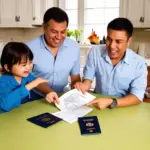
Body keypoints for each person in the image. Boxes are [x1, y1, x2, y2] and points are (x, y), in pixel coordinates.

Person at [75, 18, 147, 110]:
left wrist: (111, 102)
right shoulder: (95, 52)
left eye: (118, 41)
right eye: (109, 39)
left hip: (124, 108)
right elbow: (88, 79)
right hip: (98, 106)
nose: (112, 46)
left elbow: (137, 97)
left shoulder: (139, 63)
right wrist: (84, 85)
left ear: (129, 41)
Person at [27, 7, 81, 97]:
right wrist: (49, 92)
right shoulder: (29, 48)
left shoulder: (74, 47)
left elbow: (75, 78)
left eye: (63, 32)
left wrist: (78, 87)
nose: (59, 37)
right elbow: (26, 79)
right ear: (44, 28)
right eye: (54, 31)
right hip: (33, 98)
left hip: (61, 97)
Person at [0, 42, 59, 114]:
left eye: (30, 62)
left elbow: (37, 83)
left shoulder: (26, 76)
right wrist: (31, 84)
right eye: (23, 65)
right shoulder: (3, 82)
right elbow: (5, 105)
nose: (29, 67)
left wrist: (50, 92)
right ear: (7, 67)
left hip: (22, 113)